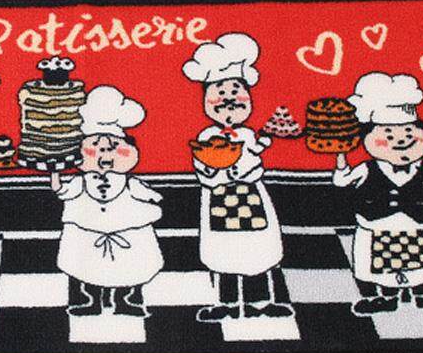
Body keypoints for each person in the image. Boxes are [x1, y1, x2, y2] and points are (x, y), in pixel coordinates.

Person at [332, 71, 423, 316]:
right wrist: (340, 158)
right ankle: (387, 297)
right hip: (379, 226)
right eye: (389, 135)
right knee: (383, 266)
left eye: (409, 133)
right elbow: (341, 182)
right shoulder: (367, 169)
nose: (400, 141)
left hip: (422, 225)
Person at [182, 32, 293, 322]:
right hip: (219, 199)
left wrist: (256, 149)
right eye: (219, 93)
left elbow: (253, 161)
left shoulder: (248, 135)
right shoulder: (206, 136)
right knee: (223, 252)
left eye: (236, 92)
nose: (229, 100)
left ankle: (261, 302)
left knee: (259, 249)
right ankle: (227, 302)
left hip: (252, 197)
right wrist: (220, 169)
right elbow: (204, 168)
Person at [51, 85, 163, 316]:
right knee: (89, 268)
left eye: (113, 149)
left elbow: (150, 195)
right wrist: (54, 172)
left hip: (127, 231)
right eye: (95, 150)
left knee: (128, 268)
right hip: (88, 231)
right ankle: (93, 301)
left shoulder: (129, 182)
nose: (105, 156)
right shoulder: (81, 181)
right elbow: (61, 190)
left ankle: (124, 301)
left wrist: (153, 197)